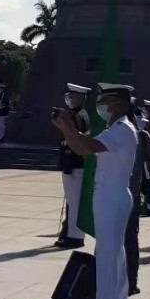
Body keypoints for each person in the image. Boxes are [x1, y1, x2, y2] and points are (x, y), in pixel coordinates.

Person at [53, 83, 138, 299]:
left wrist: (68, 126)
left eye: (106, 101)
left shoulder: (121, 129)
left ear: (119, 103)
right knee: (115, 252)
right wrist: (66, 128)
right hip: (113, 195)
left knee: (107, 253)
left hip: (112, 196)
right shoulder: (118, 129)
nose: (102, 106)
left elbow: (86, 147)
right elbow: (82, 148)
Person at [125, 105, 150, 295]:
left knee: (124, 241)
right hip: (131, 195)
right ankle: (129, 282)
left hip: (126, 195)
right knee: (129, 242)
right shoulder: (142, 135)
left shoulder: (139, 136)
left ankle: (127, 281)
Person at [56, 83, 91, 249]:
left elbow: (76, 139)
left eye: (73, 96)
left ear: (81, 98)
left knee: (75, 202)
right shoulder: (75, 114)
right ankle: (70, 234)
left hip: (75, 162)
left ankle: (76, 237)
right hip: (71, 162)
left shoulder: (78, 116)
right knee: (72, 201)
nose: (69, 99)